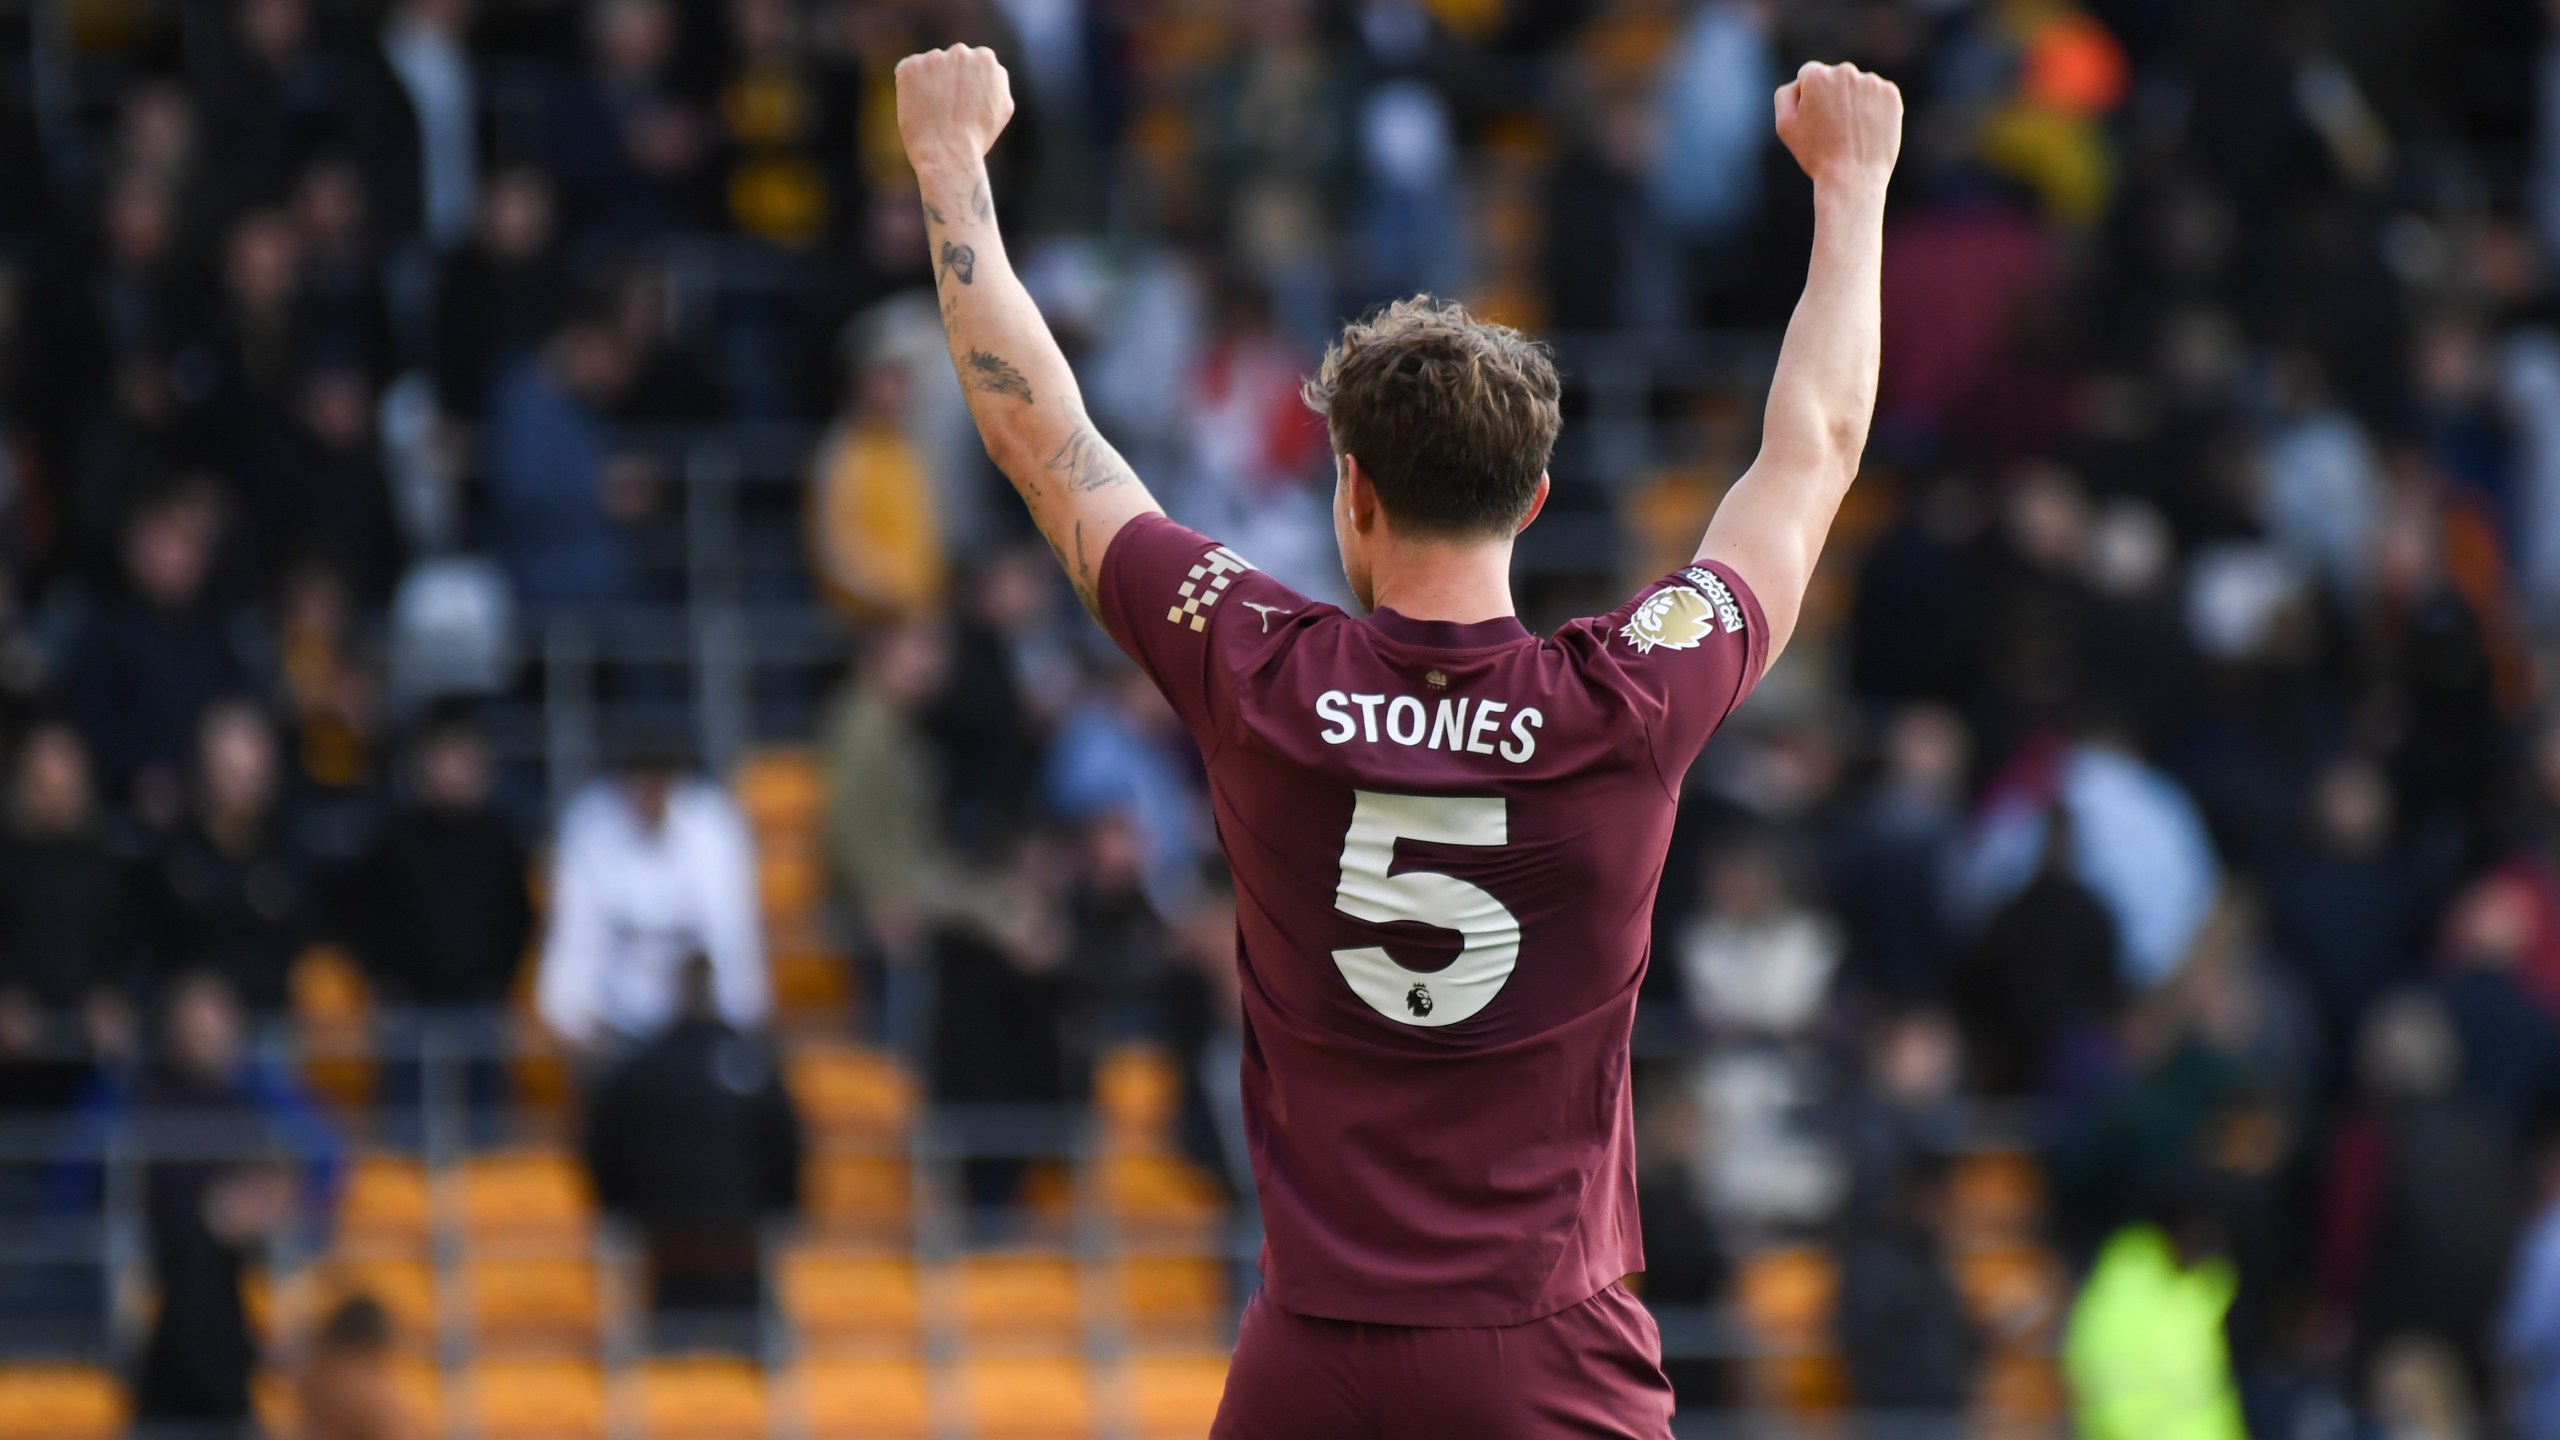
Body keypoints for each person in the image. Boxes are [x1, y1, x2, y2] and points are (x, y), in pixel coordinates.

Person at [896, 44, 1902, 1436]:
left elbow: (1042, 437)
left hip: (1321, 1356)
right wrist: (1853, 190)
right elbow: (1815, 447)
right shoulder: (1626, 699)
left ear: (1350, 488)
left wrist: (950, 165)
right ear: (1538, 498)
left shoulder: (1250, 661)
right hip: (1552, 1348)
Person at [583, 956, 802, 1332]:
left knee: (676, 1352)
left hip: (679, 1242)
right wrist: (776, 1208)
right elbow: (787, 1148)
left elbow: (602, 1146)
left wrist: (624, 1208)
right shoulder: (750, 1065)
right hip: (726, 1242)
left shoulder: (643, 1067)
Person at [534, 727, 766, 1050]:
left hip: (699, 1032)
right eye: (641, 776)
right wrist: (574, 1020)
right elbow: (575, 938)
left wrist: (737, 1020)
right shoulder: (590, 823)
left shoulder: (714, 826)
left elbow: (732, 933)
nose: (651, 791)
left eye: (662, 777)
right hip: (614, 1034)